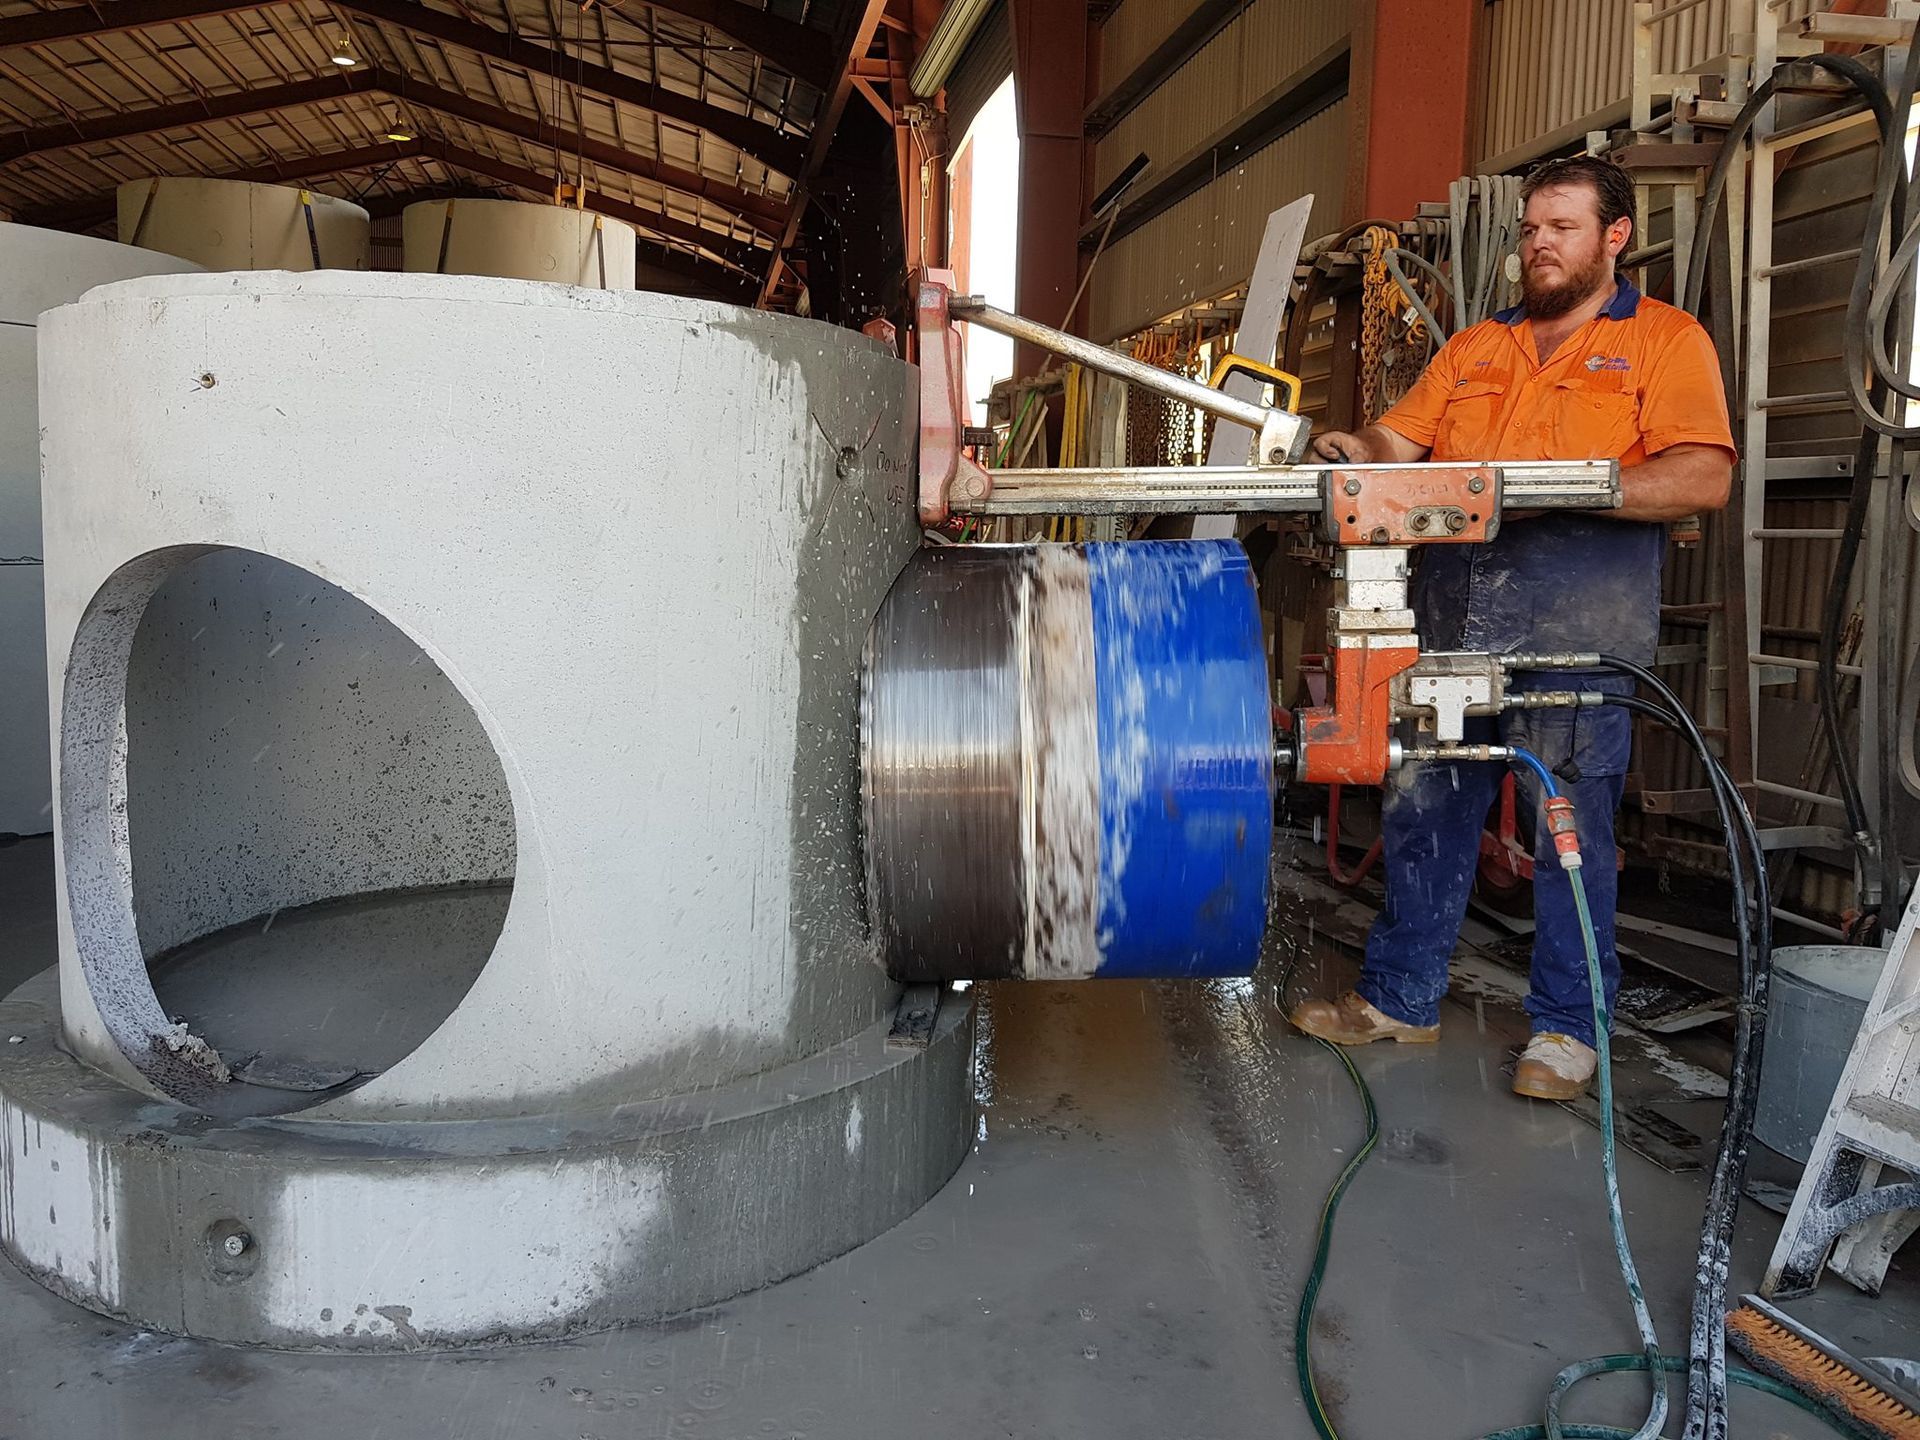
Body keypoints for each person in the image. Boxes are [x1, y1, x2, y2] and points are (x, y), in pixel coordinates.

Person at [1288, 155, 1736, 1100]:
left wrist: (1560, 490)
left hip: (1578, 630)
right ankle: (1399, 1000)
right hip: (1455, 625)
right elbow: (1397, 445)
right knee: (1425, 807)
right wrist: (1353, 448)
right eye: (1531, 229)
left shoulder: (1664, 340)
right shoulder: (1476, 349)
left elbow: (1702, 475)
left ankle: (1569, 1033)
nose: (1539, 244)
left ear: (1613, 236)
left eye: (1561, 228)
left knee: (1569, 829)